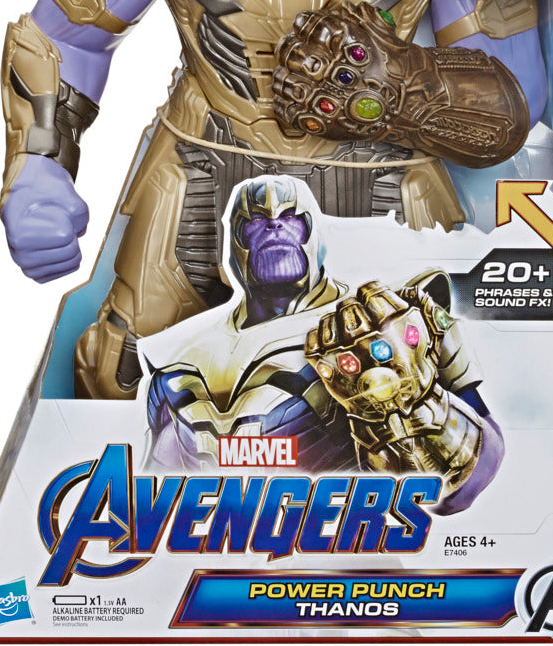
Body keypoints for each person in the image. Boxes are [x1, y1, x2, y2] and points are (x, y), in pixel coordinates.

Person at [0, 0, 547, 401]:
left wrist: (400, 85)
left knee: (418, 378)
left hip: (374, 172)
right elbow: (64, 36)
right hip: (208, 154)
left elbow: (514, 100)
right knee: (123, 370)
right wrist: (37, 164)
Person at [143, 176, 504, 514]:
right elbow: (153, 494)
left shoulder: (389, 319)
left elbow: (465, 482)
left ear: (313, 231)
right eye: (256, 222)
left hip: (344, 541)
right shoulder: (179, 362)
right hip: (221, 543)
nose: (274, 228)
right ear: (235, 240)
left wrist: (411, 404)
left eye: (290, 218)